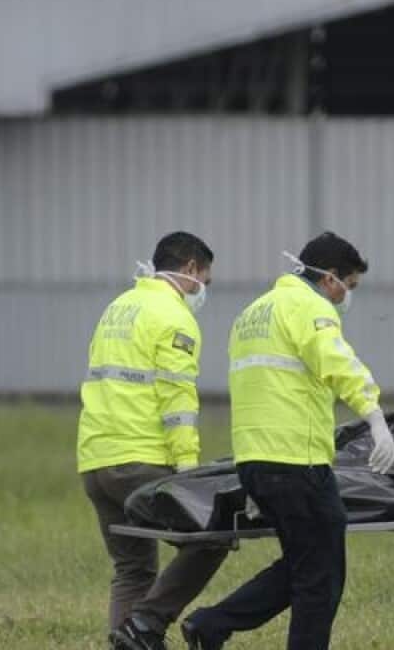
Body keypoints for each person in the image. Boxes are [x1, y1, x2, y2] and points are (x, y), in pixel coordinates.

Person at [181, 231, 394, 650]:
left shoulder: (254, 312)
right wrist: (374, 416)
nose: (346, 297)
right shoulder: (308, 306)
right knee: (321, 575)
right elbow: (337, 362)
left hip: (254, 460)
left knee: (307, 563)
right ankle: (212, 623)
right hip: (297, 460)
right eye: (349, 285)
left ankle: (211, 625)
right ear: (330, 277)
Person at [78, 231, 229, 650]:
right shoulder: (174, 316)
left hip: (95, 461)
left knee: (133, 569)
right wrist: (188, 466)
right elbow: (177, 396)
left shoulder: (118, 307)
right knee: (211, 538)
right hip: (140, 461)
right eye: (205, 282)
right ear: (191, 268)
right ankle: (145, 624)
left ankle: (129, 639)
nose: (202, 292)